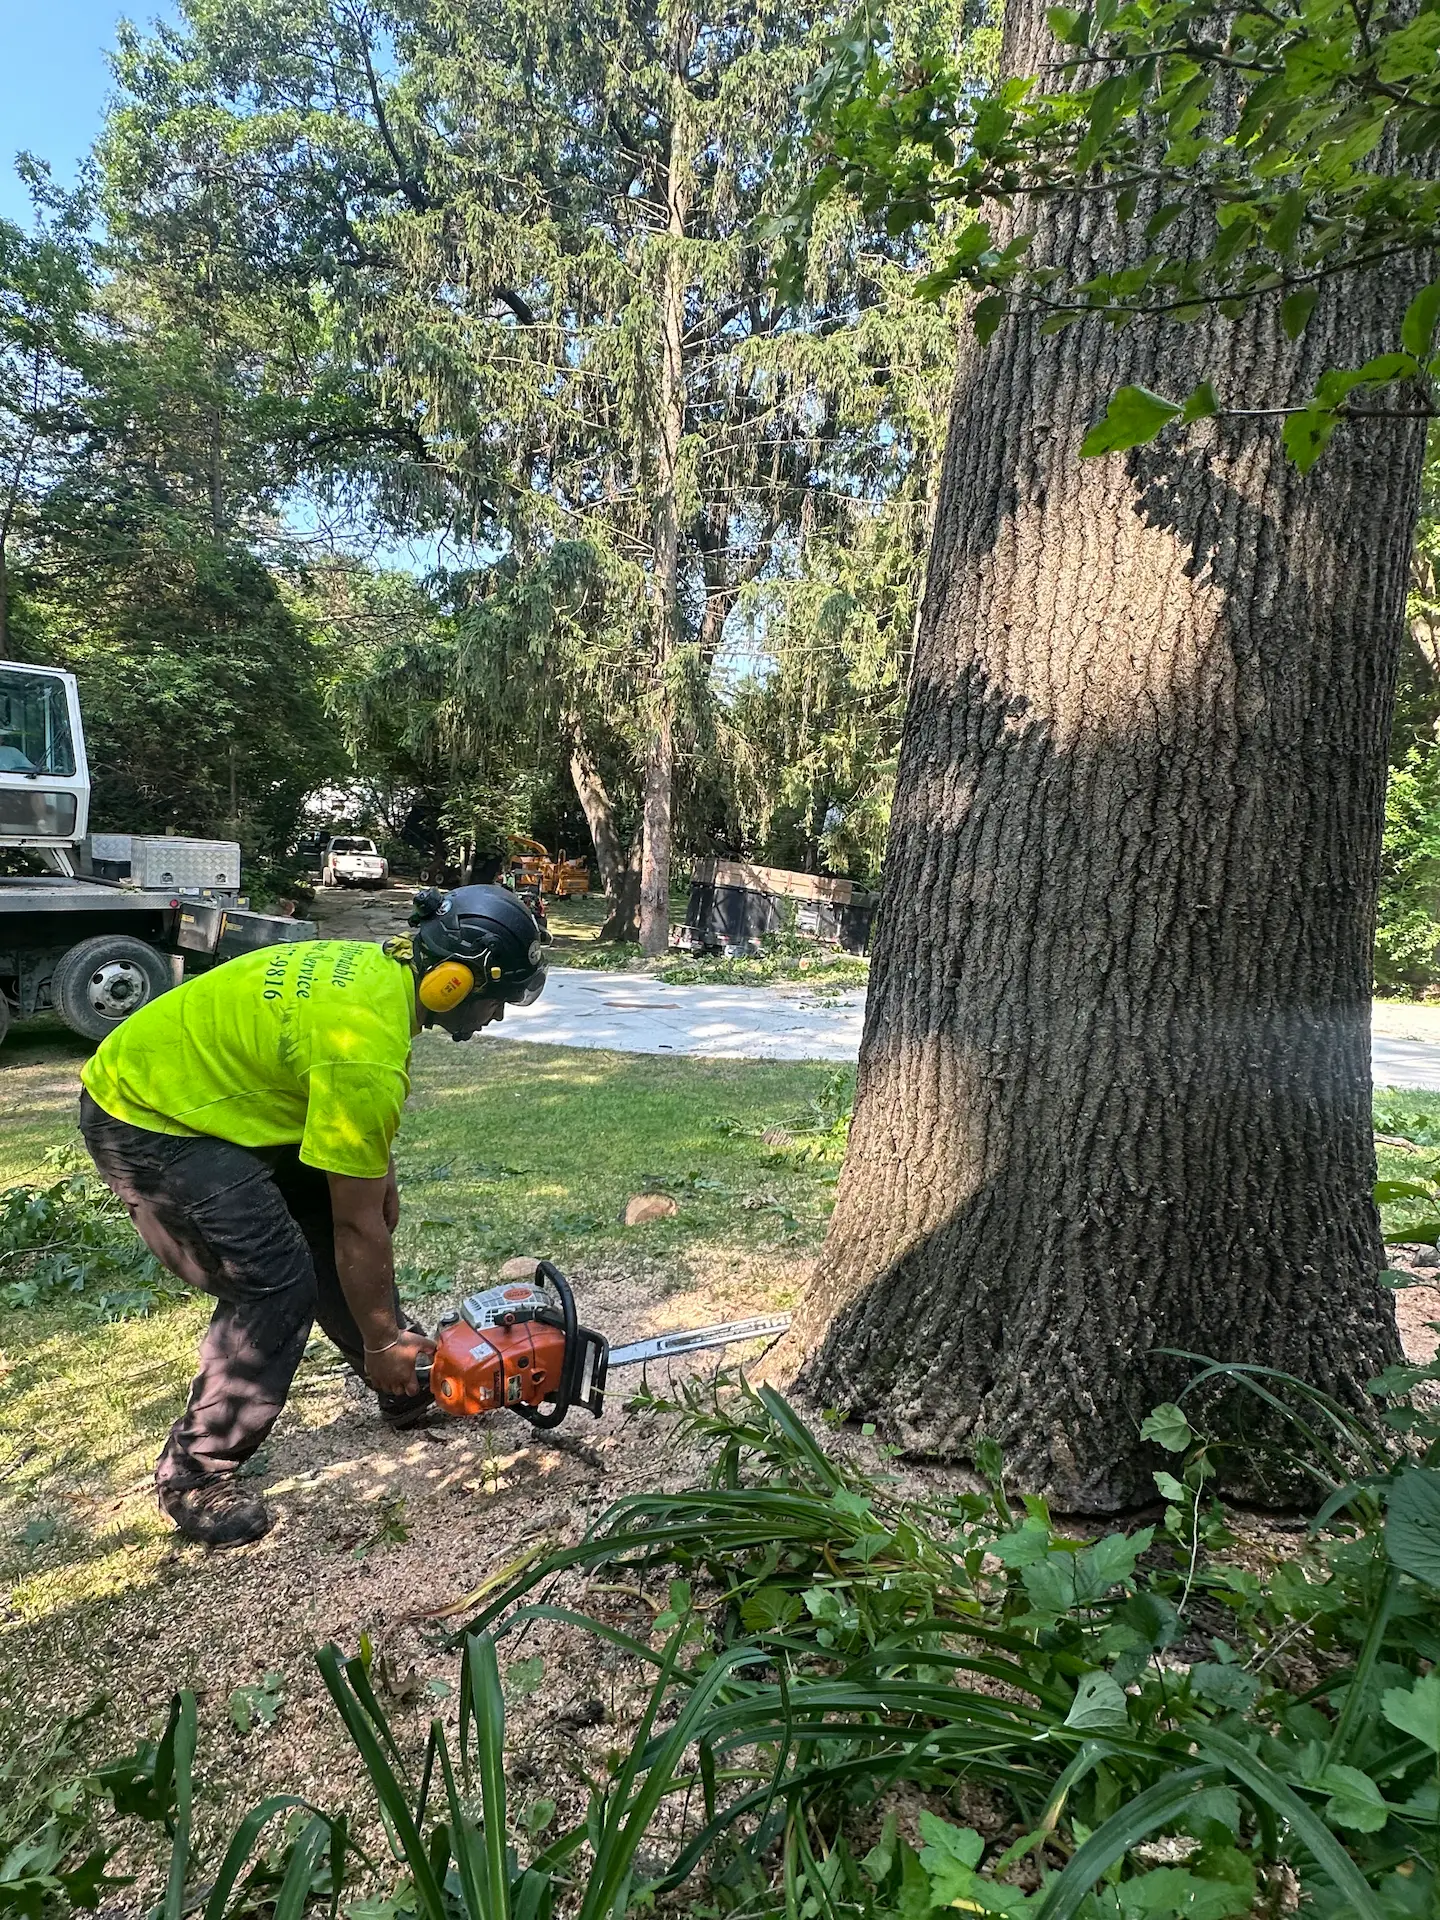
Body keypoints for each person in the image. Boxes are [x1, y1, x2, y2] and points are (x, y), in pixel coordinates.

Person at [77, 885, 547, 1548]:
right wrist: (381, 1335)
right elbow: (360, 1224)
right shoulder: (365, 1047)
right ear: (450, 983)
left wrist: (377, 1174)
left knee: (329, 1234)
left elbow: (351, 1179)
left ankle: (406, 1385)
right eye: (498, 996)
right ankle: (196, 1474)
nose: (497, 1014)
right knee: (273, 1279)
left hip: (214, 1101)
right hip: (151, 1115)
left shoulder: (380, 976)